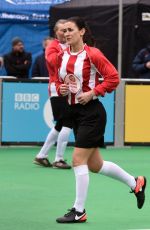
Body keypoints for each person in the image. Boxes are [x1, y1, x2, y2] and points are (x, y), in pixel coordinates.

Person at [50, 16, 147, 223]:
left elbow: (113, 78)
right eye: (64, 30)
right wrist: (61, 88)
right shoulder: (61, 55)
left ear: (82, 31)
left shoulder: (92, 54)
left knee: (77, 160)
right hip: (74, 112)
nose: (66, 33)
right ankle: (135, 182)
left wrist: (93, 92)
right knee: (95, 165)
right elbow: (57, 81)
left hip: (92, 114)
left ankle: (79, 211)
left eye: (71, 30)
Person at [33, 20, 72, 169]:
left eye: (68, 29)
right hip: (58, 89)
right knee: (68, 122)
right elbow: (53, 61)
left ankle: (42, 155)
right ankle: (59, 159)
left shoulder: (69, 45)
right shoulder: (53, 46)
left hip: (68, 88)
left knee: (61, 124)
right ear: (56, 32)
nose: (65, 33)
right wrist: (67, 51)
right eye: (62, 30)